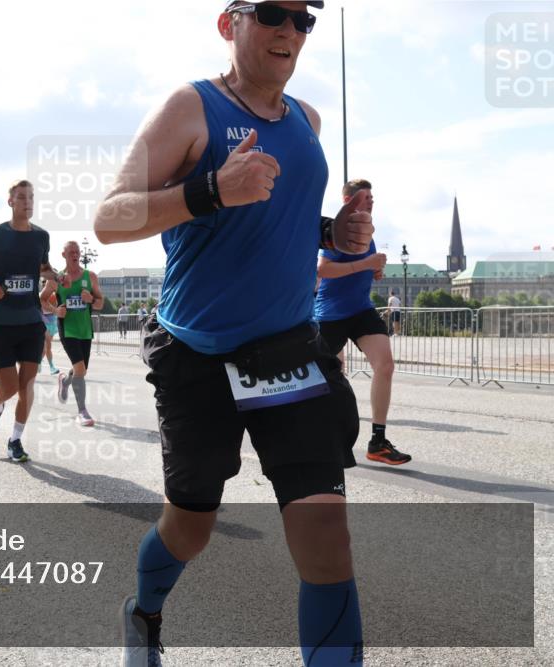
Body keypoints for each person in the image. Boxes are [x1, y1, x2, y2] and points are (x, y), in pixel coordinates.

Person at [92, 2, 375, 664]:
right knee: (191, 525)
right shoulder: (190, 108)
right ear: (231, 23)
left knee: (325, 529)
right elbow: (109, 217)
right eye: (273, 13)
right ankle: (144, 611)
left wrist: (334, 233)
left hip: (286, 351)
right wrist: (210, 189)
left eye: (304, 19)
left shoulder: (307, 121)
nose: (290, 30)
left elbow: (282, 220)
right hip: (196, 353)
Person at [0, 180, 66, 463]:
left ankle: (15, 440)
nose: (28, 202)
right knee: (9, 387)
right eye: (22, 197)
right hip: (2, 322)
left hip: (32, 322)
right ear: (10, 202)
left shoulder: (41, 237)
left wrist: (59, 278)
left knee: (27, 385)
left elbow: (44, 268)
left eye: (31, 197)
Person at [315, 179, 410, 467]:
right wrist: (366, 265)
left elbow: (360, 269)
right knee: (324, 378)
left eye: (372, 196)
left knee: (386, 365)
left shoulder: (367, 232)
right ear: (348, 201)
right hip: (331, 314)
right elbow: (323, 269)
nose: (370, 200)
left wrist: (373, 272)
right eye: (364, 196)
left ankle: (378, 442)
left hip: (360, 310)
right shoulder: (341, 227)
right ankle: (316, 436)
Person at [42, 240, 104, 427]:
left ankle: (65, 380)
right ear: (64, 255)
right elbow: (41, 299)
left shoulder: (90, 276)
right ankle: (82, 411)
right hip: (67, 328)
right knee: (80, 369)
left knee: (81, 370)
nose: (75, 255)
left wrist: (91, 298)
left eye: (77, 252)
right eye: (71, 252)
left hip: (85, 329)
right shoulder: (56, 279)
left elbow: (100, 303)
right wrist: (55, 311)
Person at [40, 291, 61, 375]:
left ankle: (38, 362)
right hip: (44, 323)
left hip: (53, 322)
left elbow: (57, 307)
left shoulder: (55, 295)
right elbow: (38, 310)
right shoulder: (40, 295)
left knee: (46, 348)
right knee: (47, 345)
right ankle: (51, 367)